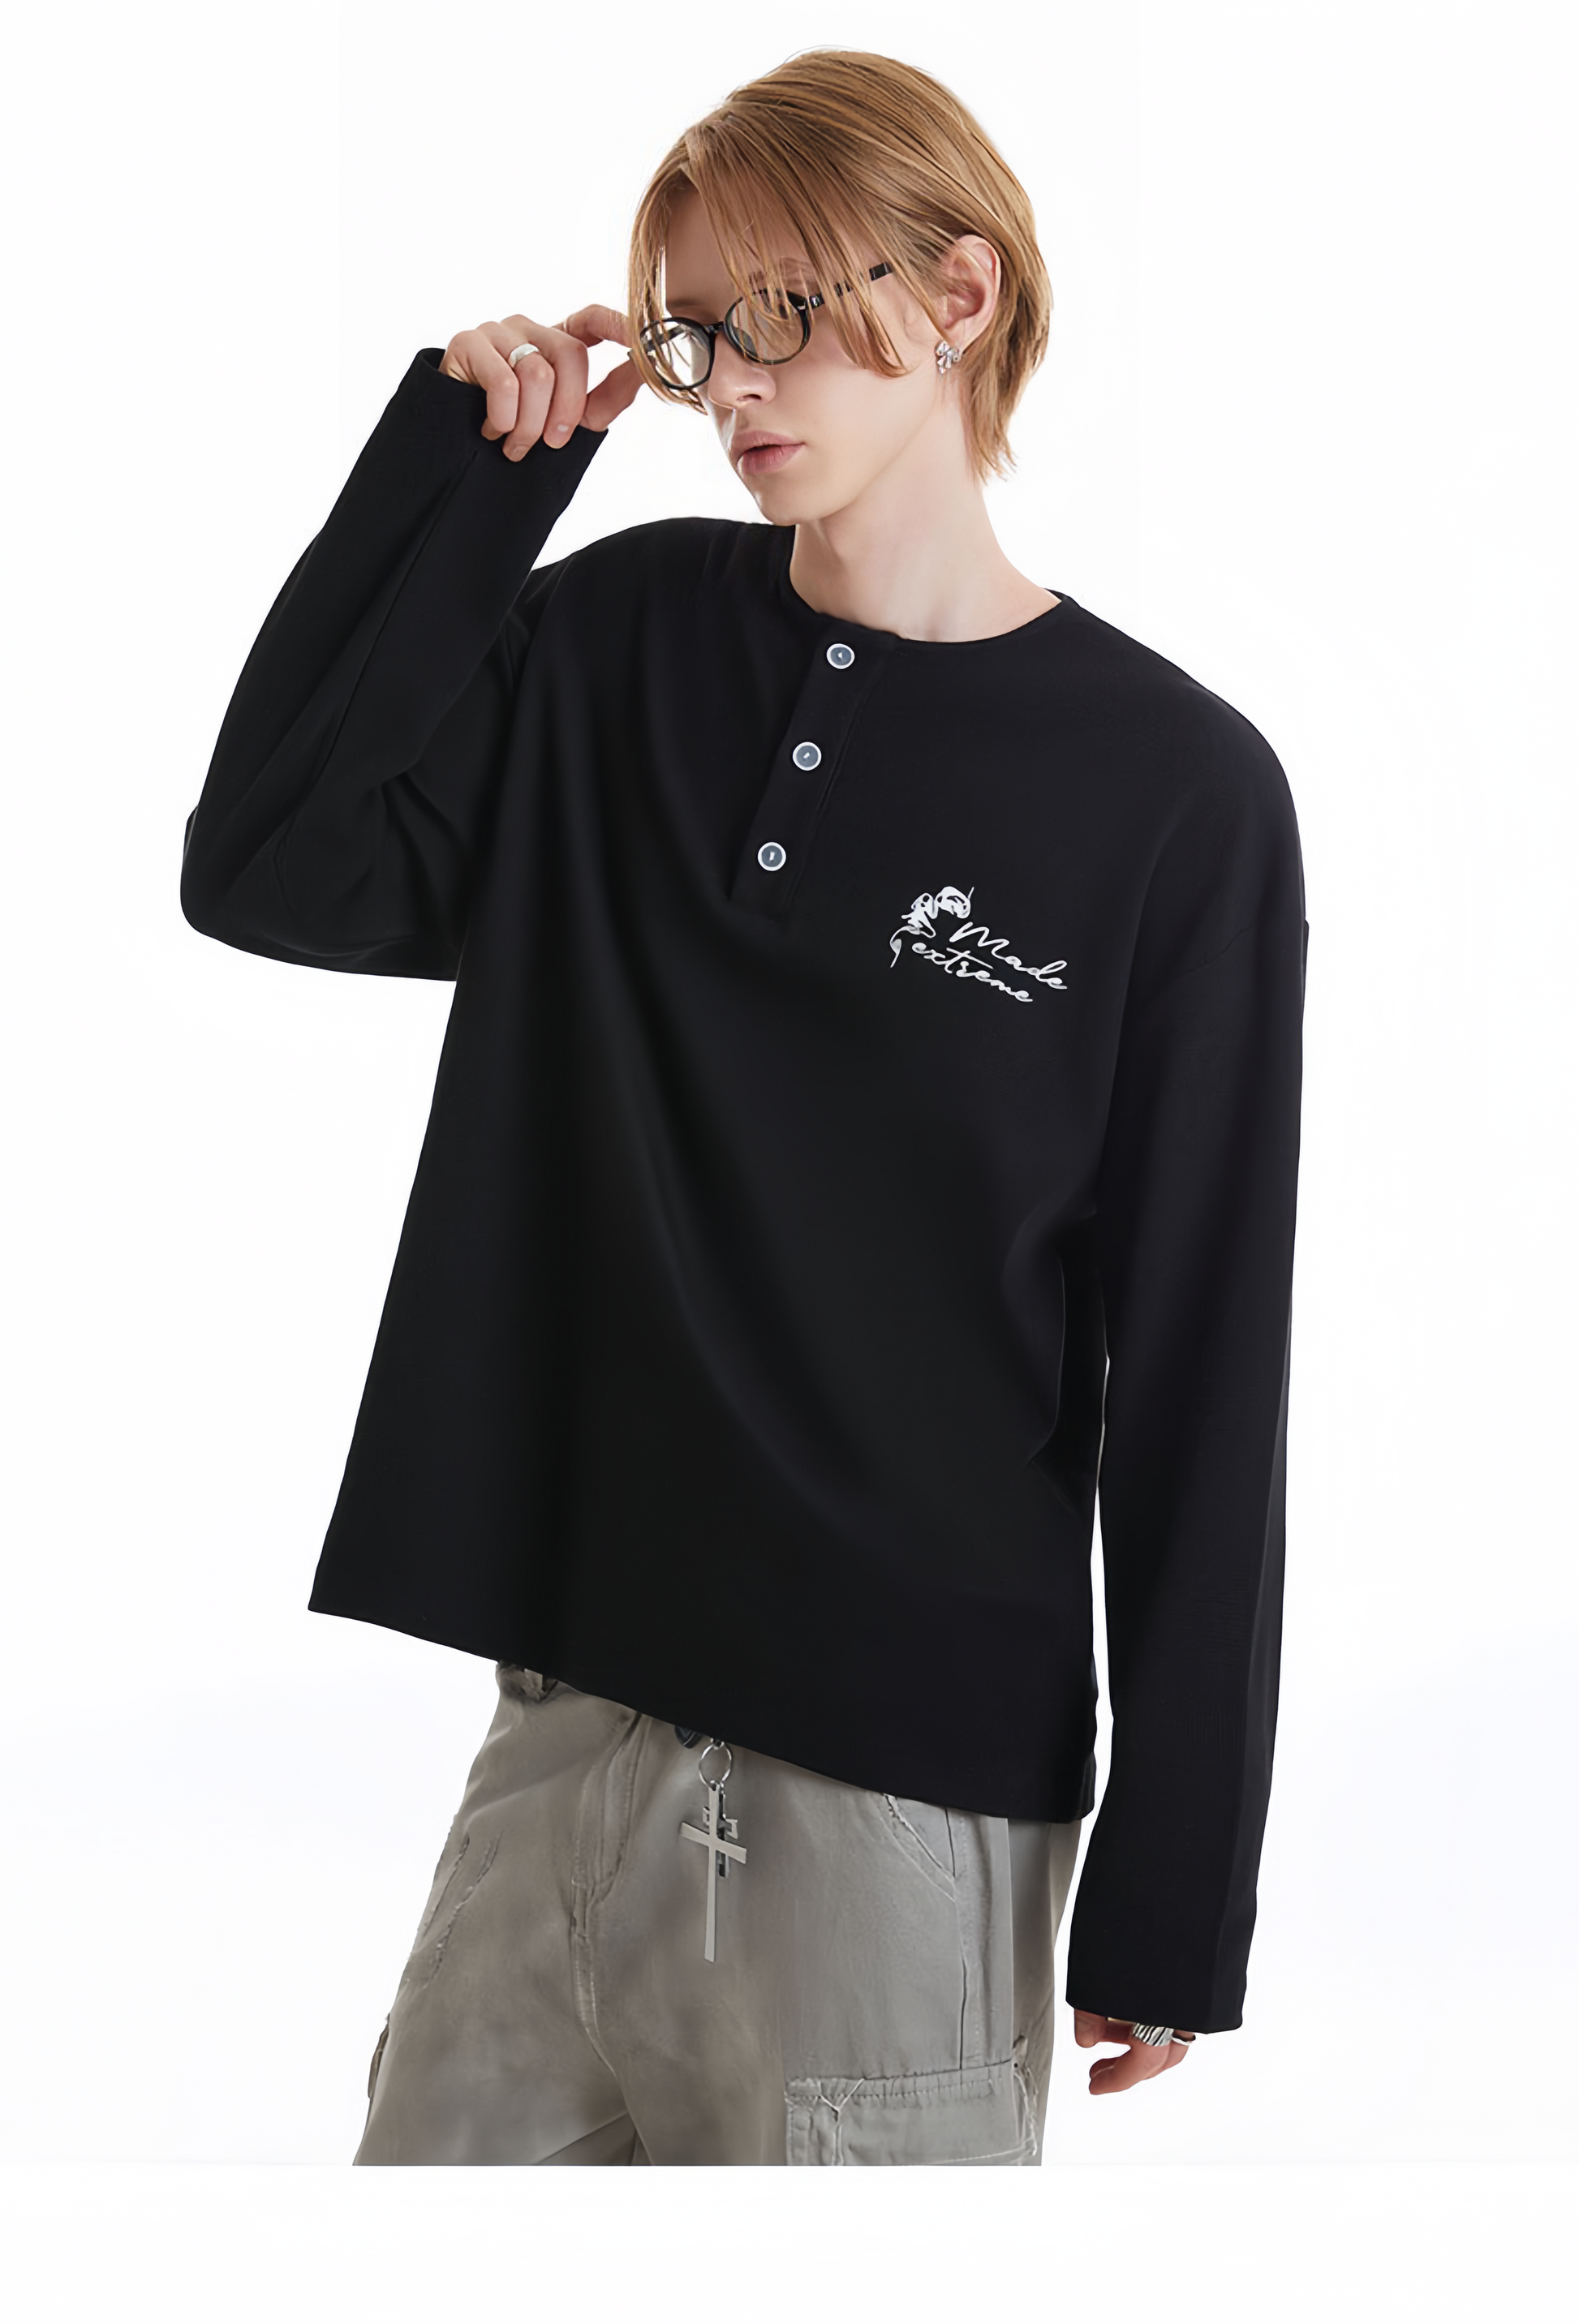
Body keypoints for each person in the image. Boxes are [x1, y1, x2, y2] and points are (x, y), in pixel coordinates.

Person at [180, 48, 1306, 2165]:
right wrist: (463, 479)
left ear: (958, 297)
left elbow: (1201, 1360)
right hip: (559, 1740)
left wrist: (1180, 1881)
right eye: (698, 330)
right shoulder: (617, 644)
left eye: (787, 308)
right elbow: (271, 866)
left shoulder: (1177, 793)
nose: (735, 379)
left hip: (897, 1796)